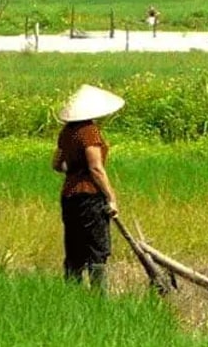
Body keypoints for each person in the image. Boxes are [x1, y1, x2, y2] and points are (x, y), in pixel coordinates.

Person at [52, 84, 125, 293]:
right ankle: (98, 298)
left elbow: (57, 164)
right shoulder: (89, 132)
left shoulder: (66, 132)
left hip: (69, 196)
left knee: (74, 248)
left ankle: (71, 293)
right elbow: (96, 168)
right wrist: (111, 197)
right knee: (97, 249)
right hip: (89, 196)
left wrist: (73, 169)